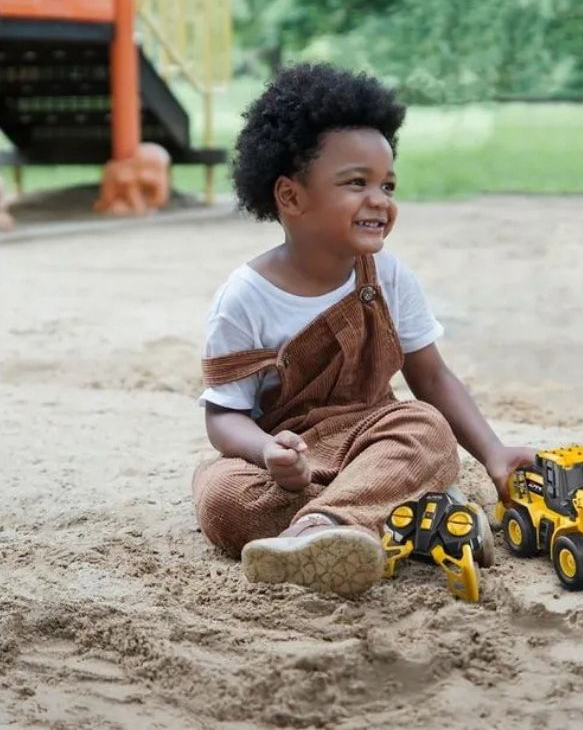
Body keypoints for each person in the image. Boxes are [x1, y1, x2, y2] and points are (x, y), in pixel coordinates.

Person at [193, 63, 535, 595]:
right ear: (291, 197)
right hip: (292, 461)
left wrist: (493, 452)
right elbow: (223, 417)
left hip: (374, 442)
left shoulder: (389, 277)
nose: (380, 200)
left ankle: (321, 529)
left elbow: (432, 378)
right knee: (221, 497)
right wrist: (267, 453)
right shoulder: (244, 297)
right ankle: (410, 520)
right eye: (357, 183)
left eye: (387, 185)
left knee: (426, 428)